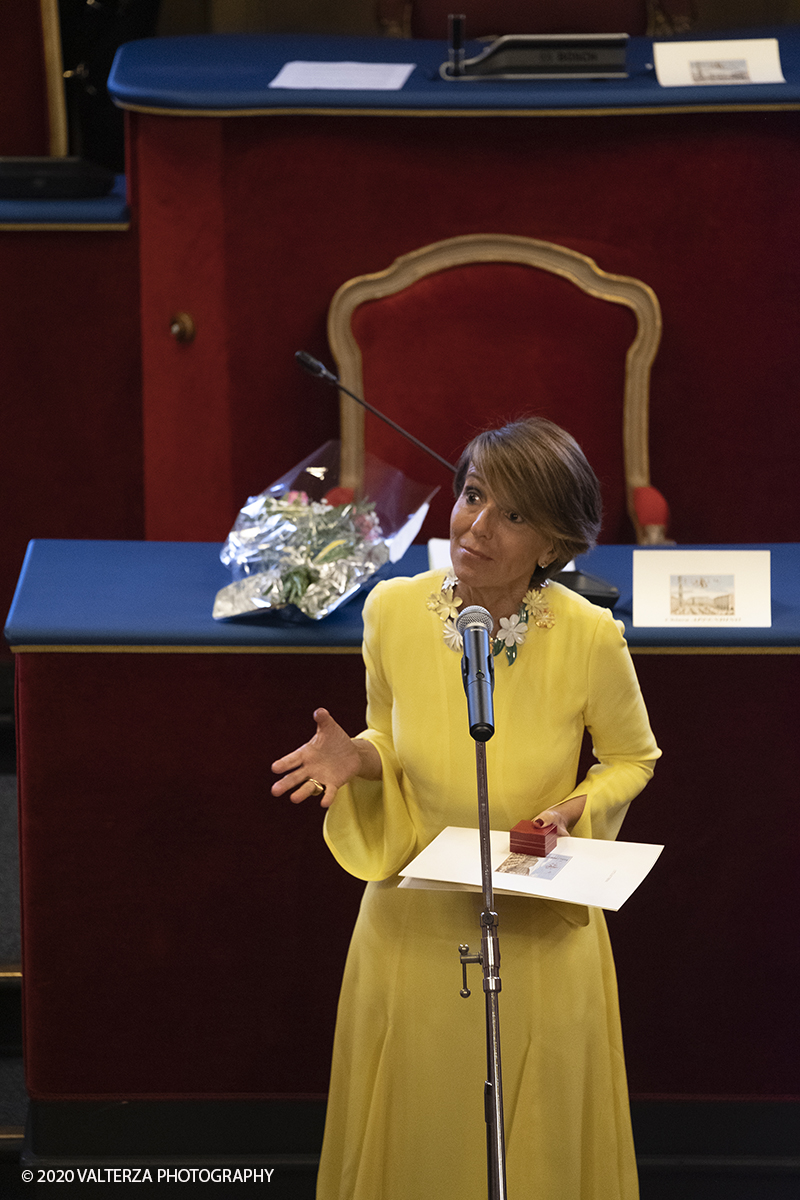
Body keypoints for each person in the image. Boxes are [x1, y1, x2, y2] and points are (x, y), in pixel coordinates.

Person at [272, 417, 661, 1200]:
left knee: (535, 1138)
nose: (476, 526)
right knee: (418, 1133)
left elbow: (632, 758)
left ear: (554, 546)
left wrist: (574, 809)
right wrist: (361, 756)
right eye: (474, 495)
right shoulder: (389, 612)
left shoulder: (590, 637)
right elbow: (390, 729)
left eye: (512, 515)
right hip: (413, 920)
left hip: (538, 928)